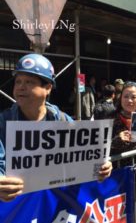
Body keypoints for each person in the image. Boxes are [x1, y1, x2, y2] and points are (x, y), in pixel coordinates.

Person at [0, 53, 112, 202]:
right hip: (19, 207)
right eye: (18, 81)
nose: (21, 87)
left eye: (29, 82)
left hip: (54, 205)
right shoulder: (3, 122)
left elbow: (83, 154)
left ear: (48, 88)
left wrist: (102, 165)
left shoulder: (62, 119)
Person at [110, 81, 136, 213]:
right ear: (120, 98)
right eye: (125, 96)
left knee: (135, 212)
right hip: (117, 178)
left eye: (133, 97)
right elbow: (100, 148)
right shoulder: (110, 119)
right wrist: (117, 140)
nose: (129, 100)